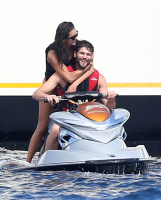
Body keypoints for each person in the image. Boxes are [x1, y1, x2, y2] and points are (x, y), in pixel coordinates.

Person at [26, 22, 94, 163]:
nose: (76, 39)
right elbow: (67, 76)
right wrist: (84, 70)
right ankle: (28, 161)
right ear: (63, 38)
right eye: (73, 37)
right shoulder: (52, 52)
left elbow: (91, 67)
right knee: (42, 126)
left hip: (68, 84)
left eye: (77, 34)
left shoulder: (76, 45)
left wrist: (75, 84)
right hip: (52, 85)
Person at [32, 40, 117, 152]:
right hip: (65, 117)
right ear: (75, 54)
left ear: (92, 56)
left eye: (88, 54)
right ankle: (47, 160)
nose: (85, 57)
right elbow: (36, 94)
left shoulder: (99, 77)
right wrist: (47, 97)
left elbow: (109, 107)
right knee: (56, 130)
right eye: (82, 53)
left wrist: (111, 98)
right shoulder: (63, 75)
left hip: (89, 120)